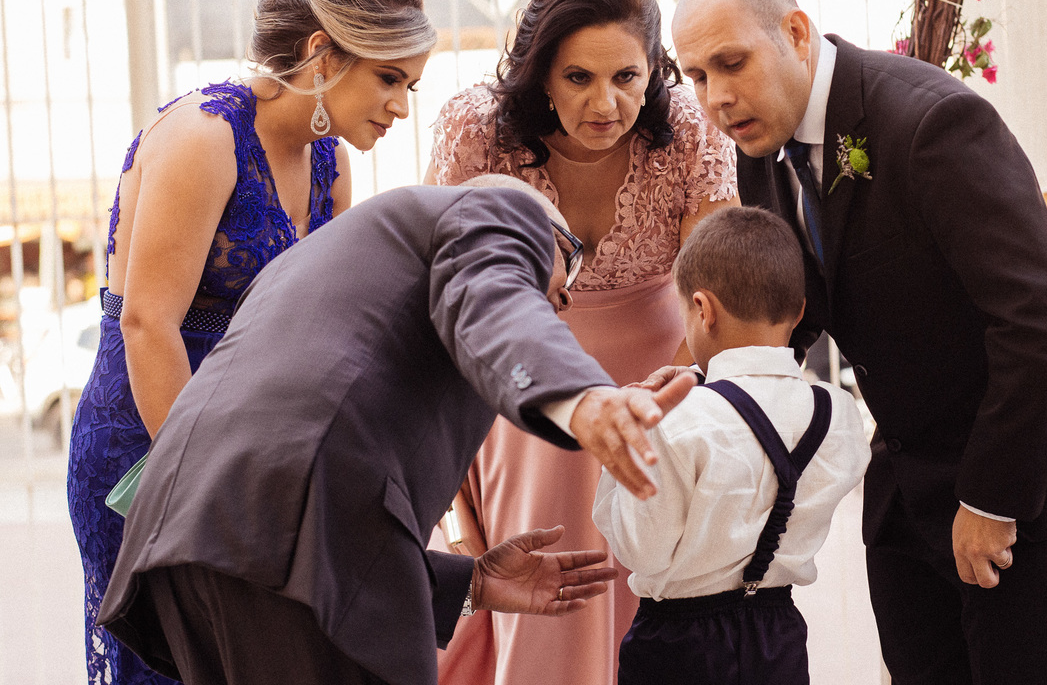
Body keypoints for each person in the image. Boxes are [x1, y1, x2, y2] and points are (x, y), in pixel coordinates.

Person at [666, 0, 1047, 684]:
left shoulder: (930, 122)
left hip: (1022, 473)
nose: (716, 98)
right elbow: (792, 309)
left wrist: (993, 500)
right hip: (907, 482)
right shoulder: (761, 148)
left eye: (731, 64)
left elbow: (1043, 320)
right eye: (697, 76)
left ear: (795, 33)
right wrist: (695, 387)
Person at [96, 175, 696, 685]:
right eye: (565, 269)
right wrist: (580, 398)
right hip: (278, 543)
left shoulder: (316, 264)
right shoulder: (495, 214)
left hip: (185, 547)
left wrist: (472, 584)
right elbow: (494, 304)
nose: (562, 300)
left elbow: (312, 454)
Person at [65, 0, 430, 684]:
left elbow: (322, 326)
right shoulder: (204, 138)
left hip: (249, 458)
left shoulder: (329, 161)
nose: (402, 105)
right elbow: (147, 324)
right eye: (389, 77)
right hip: (149, 442)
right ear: (322, 54)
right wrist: (200, 491)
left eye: (411, 84)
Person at [425, 0, 737, 685]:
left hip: (666, 383)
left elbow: (715, 299)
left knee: (660, 594)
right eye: (578, 79)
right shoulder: (477, 130)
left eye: (626, 78)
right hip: (522, 386)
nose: (605, 104)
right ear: (539, 74)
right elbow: (446, 302)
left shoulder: (691, 129)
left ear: (653, 70)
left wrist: (702, 406)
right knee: (547, 586)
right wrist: (454, 495)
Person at [593, 206, 869, 685]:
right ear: (799, 309)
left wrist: (625, 434)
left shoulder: (678, 423)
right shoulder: (837, 414)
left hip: (678, 644)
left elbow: (643, 550)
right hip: (778, 634)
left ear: (702, 309)